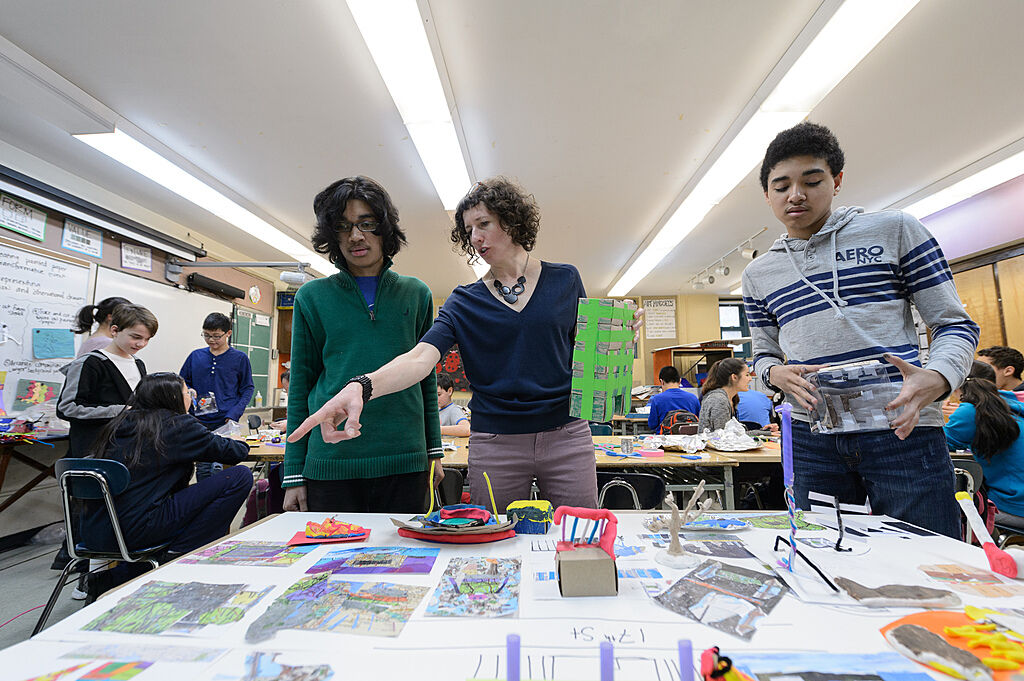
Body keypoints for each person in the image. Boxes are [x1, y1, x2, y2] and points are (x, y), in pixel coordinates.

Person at [289, 177, 643, 513]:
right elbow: (419, 360)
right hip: (496, 441)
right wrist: (362, 386)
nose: (475, 237)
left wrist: (621, 340)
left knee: (580, 538)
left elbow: (587, 358)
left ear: (512, 221)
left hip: (567, 436)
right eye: (468, 230)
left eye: (483, 224)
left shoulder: (566, 279)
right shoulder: (463, 301)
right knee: (494, 547)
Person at [742, 121, 979, 538]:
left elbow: (954, 324)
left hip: (901, 426)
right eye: (781, 187)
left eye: (811, 181)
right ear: (767, 195)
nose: (795, 195)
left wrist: (939, 377)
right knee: (824, 559)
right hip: (812, 434)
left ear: (836, 181)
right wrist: (773, 373)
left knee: (927, 559)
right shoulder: (759, 273)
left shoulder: (895, 231)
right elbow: (763, 352)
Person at [282, 176, 443, 514]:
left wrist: (433, 452)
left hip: (406, 460)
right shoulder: (312, 297)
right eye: (343, 227)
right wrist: (294, 471)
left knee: (409, 564)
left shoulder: (417, 294)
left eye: (367, 224)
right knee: (330, 564)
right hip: (332, 461)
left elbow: (426, 379)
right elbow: (301, 387)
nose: (356, 236)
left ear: (385, 230)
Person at [84, 373, 252, 567]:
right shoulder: (177, 425)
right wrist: (239, 442)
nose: (191, 396)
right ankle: (180, 553)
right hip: (139, 529)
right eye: (187, 392)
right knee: (239, 476)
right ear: (174, 398)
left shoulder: (118, 423)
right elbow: (234, 452)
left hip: (96, 531)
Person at [58, 303, 157, 458]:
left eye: (147, 339)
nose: (141, 344)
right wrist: (120, 410)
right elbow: (67, 408)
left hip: (126, 448)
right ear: (115, 330)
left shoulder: (138, 364)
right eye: (136, 337)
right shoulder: (90, 363)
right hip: (94, 451)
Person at [944, 361, 1024, 530]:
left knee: (948, 507)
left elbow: (938, 445)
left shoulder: (971, 411)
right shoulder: (1012, 405)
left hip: (1015, 506)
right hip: (1018, 501)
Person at [180, 312, 255, 481]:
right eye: (206, 335)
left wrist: (234, 414)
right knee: (203, 466)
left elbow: (247, 388)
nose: (211, 340)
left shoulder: (240, 358)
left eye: (216, 336)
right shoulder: (195, 356)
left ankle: (221, 500)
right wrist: (189, 389)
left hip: (225, 420)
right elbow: (182, 380)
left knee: (221, 466)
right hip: (199, 420)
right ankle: (204, 499)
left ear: (228, 333)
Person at [698, 358, 750, 432]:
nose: (750, 379)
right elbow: (724, 437)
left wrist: (767, 432)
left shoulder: (730, 398)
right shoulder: (719, 400)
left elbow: (734, 434)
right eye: (747, 375)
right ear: (734, 377)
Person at [647, 365, 700, 432]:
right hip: (688, 439)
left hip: (665, 440)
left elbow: (652, 425)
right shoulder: (693, 398)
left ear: (662, 381)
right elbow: (699, 422)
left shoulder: (657, 399)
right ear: (680, 381)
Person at [436, 373, 470, 437]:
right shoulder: (438, 409)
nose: (435, 398)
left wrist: (437, 430)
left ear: (449, 391)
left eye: (439, 394)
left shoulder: (454, 410)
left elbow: (467, 429)